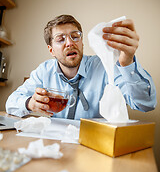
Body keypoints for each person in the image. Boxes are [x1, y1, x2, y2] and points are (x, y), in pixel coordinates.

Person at [6, 14, 156, 119]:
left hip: (95, 147)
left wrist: (127, 62)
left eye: (75, 36)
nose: (70, 43)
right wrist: (29, 103)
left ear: (82, 42)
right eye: (60, 39)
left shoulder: (105, 66)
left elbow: (145, 104)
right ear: (51, 50)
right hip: (57, 147)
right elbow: (11, 103)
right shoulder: (44, 71)